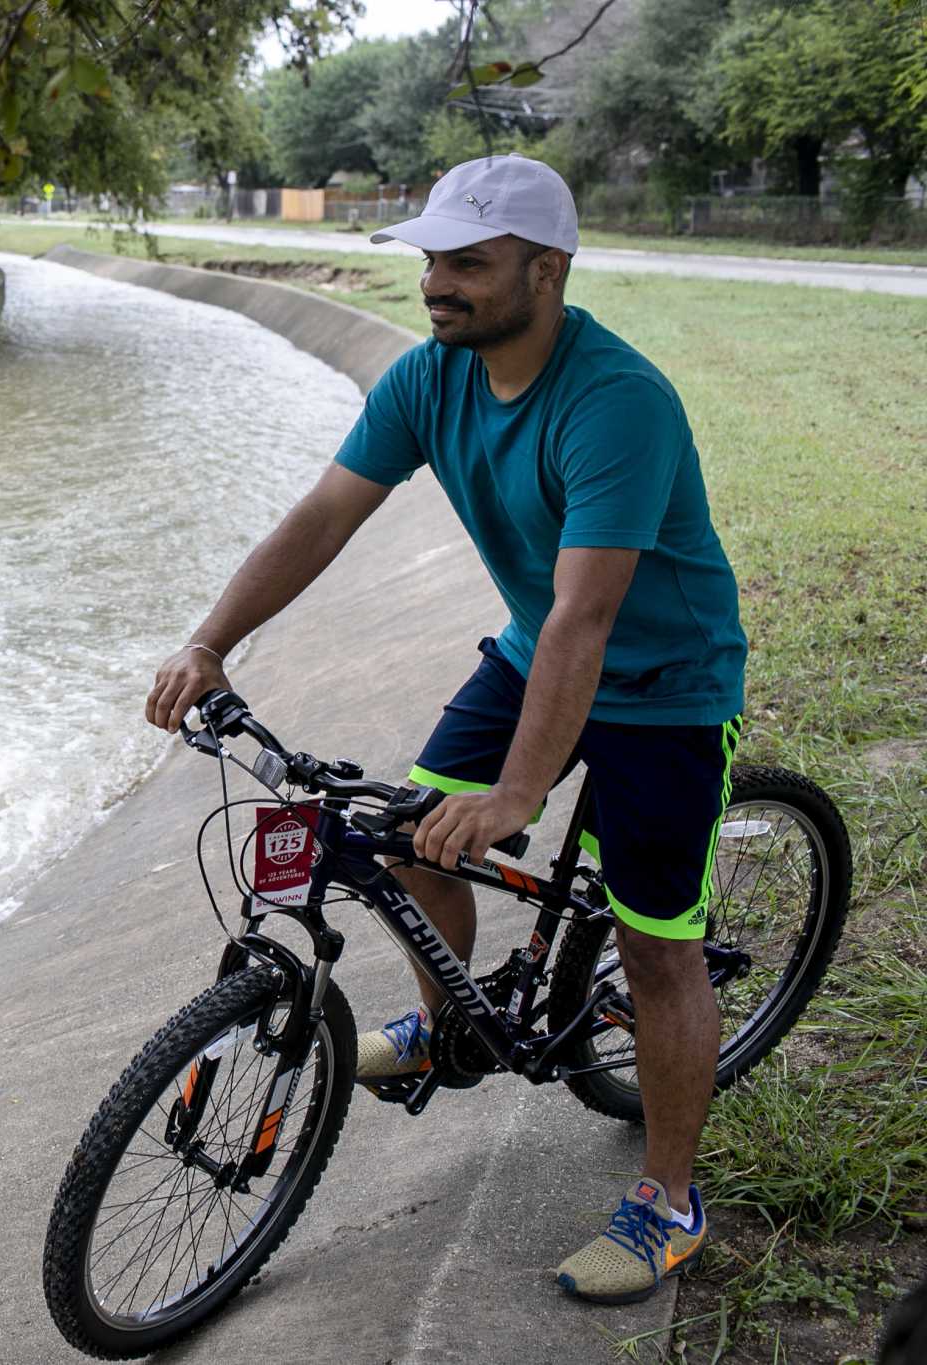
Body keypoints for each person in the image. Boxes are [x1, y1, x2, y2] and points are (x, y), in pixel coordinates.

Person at [143, 154, 747, 1307]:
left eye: (467, 263)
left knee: (653, 944)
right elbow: (323, 513)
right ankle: (442, 1027)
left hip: (662, 682)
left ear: (545, 269)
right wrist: (209, 640)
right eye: (429, 260)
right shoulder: (430, 379)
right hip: (533, 655)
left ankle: (668, 1201)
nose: (437, 284)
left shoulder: (617, 401)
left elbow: (588, 615)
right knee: (414, 832)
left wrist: (517, 797)